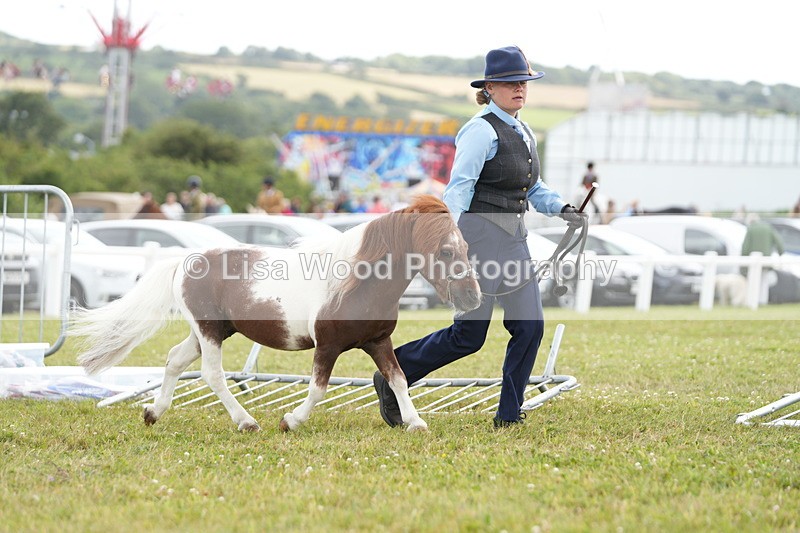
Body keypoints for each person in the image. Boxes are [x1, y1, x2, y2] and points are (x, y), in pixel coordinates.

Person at [372, 46, 585, 428]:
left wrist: (564, 209)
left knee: (530, 326)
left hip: (515, 241)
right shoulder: (479, 130)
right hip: (478, 243)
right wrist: (447, 243)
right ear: (490, 87)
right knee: (469, 336)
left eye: (523, 81)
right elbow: (458, 191)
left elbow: (533, 188)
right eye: (510, 83)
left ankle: (508, 415)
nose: (519, 88)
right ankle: (394, 372)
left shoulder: (523, 130)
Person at [741, 213, 784, 304]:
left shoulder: (751, 229)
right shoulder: (768, 227)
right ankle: (762, 301)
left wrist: (743, 260)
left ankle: (752, 301)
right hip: (766, 259)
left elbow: (745, 247)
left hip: (752, 260)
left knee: (752, 281)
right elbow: (779, 241)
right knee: (764, 281)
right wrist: (781, 252)